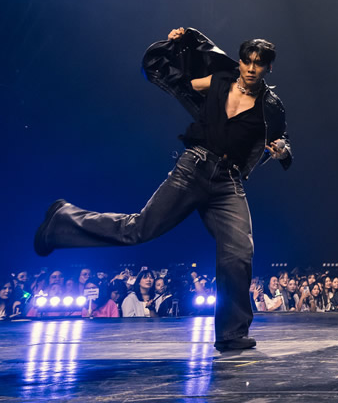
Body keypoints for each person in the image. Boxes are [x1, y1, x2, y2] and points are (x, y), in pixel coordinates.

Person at [33, 27, 293, 352]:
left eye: (259, 63)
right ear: (240, 62)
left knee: (239, 252)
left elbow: (280, 141)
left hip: (228, 183)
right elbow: (179, 83)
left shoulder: (271, 106)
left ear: (269, 67)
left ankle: (231, 333)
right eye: (247, 61)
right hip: (193, 168)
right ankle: (62, 221)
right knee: (138, 229)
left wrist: (281, 150)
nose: (252, 68)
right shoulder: (219, 81)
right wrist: (175, 45)